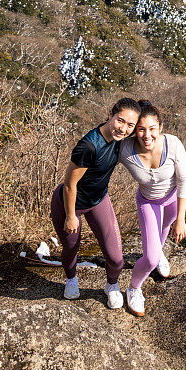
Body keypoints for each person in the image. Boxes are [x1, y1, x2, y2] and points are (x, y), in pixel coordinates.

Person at [50, 97, 141, 307]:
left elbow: (144, 125)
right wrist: (71, 216)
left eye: (130, 125)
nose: (123, 129)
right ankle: (71, 278)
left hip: (99, 199)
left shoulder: (121, 140)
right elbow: (69, 185)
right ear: (110, 115)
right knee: (71, 247)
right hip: (70, 202)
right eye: (120, 121)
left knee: (116, 258)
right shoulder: (89, 146)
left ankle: (111, 284)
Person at [119, 100, 186, 317]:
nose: (146, 135)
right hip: (148, 202)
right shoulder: (125, 149)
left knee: (166, 225)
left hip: (170, 200)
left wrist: (181, 218)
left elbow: (183, 180)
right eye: (141, 129)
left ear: (161, 128)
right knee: (149, 258)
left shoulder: (173, 144)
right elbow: (101, 152)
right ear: (134, 131)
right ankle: (133, 288)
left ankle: (160, 253)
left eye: (152, 129)